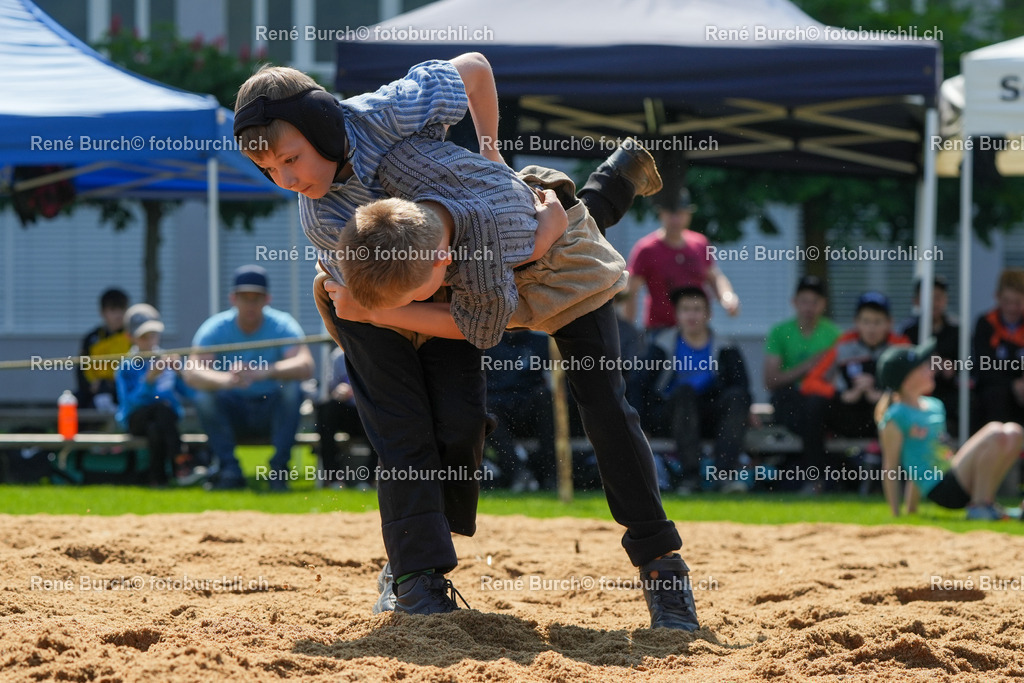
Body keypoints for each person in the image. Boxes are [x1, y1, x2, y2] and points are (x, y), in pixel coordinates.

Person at [234, 56, 666, 618]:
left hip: (470, 255)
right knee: (404, 426)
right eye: (271, 172)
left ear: (321, 128)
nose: (288, 181)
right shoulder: (320, 218)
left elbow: (478, 70)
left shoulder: (389, 115)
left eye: (291, 160)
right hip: (368, 295)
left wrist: (489, 146)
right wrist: (378, 311)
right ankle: (416, 575)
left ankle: (661, 566)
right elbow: (378, 305)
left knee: (467, 416)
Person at [329, 124, 700, 631]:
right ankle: (617, 177)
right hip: (496, 269)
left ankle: (663, 569)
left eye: (417, 292)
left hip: (560, 274)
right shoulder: (408, 211)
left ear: (441, 262)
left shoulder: (510, 238)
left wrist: (379, 315)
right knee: (559, 227)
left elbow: (472, 323)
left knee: (607, 408)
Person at [183, 265, 314, 491]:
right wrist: (225, 380)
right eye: (245, 297)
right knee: (204, 397)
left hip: (270, 409)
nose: (251, 304)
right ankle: (229, 469)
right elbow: (191, 371)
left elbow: (305, 365)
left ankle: (279, 471)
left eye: (257, 298)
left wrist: (265, 371)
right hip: (233, 410)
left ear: (267, 299)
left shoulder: (283, 324)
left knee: (292, 390)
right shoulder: (216, 327)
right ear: (233, 298)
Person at [876, 340, 1023, 520]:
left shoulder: (934, 405)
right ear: (907, 380)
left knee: (1015, 432)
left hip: (954, 472)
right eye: (924, 367)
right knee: (995, 432)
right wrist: (896, 513)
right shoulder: (896, 415)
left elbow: (931, 448)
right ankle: (979, 507)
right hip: (941, 487)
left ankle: (986, 502)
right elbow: (892, 466)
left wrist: (911, 509)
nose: (932, 369)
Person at [628, 287, 751, 493]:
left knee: (737, 396)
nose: (691, 315)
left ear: (708, 314)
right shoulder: (661, 345)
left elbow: (741, 386)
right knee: (685, 392)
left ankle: (725, 478)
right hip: (672, 416)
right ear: (677, 315)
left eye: (697, 309)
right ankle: (690, 477)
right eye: (685, 309)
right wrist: (640, 425)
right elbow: (638, 385)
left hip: (712, 417)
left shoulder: (726, 347)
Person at [799, 292, 909, 493]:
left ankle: (897, 481)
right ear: (856, 322)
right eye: (866, 321)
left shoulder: (900, 346)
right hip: (849, 414)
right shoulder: (844, 344)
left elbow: (914, 385)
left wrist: (885, 396)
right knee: (814, 404)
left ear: (889, 323)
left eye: (878, 322)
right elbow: (810, 383)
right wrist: (841, 394)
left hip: (882, 417)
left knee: (898, 410)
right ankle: (816, 480)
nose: (872, 328)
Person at [622, 187, 740, 332]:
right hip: (660, 329)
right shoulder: (646, 249)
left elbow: (714, 277)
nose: (675, 219)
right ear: (661, 214)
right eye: (671, 213)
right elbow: (630, 292)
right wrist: (627, 330)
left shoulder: (700, 243)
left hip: (696, 330)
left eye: (680, 213)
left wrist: (727, 298)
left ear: (688, 214)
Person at [114, 304, 192, 487]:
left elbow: (190, 394)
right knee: (159, 409)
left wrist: (181, 373)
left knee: (156, 427)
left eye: (154, 335)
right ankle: (182, 463)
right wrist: (149, 381)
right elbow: (130, 403)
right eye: (144, 337)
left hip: (163, 421)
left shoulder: (166, 360)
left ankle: (158, 479)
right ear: (130, 337)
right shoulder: (126, 366)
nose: (150, 341)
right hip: (136, 419)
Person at [764, 276, 842, 437]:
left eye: (815, 302)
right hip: (790, 397)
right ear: (794, 302)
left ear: (824, 304)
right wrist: (809, 365)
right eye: (804, 301)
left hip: (819, 397)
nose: (809, 307)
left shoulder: (834, 334)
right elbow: (771, 381)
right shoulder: (779, 332)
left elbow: (838, 378)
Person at [483, 331, 556, 491]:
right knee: (485, 409)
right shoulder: (485, 341)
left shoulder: (544, 342)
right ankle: (518, 472)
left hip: (530, 409)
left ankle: (552, 474)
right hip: (497, 409)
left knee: (546, 397)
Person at [900, 275, 961, 437]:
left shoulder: (957, 330)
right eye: (928, 298)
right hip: (917, 391)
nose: (934, 303)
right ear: (916, 301)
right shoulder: (908, 330)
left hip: (948, 390)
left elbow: (970, 365)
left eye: (938, 298)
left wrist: (953, 367)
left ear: (946, 300)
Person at [315, 347, 375, 490]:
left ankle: (370, 480)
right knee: (326, 409)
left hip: (369, 413)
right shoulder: (337, 356)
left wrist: (359, 391)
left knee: (377, 416)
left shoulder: (375, 354)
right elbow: (328, 391)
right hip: (347, 413)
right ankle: (333, 478)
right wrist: (338, 392)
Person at [972, 268, 1024, 432]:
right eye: (1007, 301)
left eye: (1017, 302)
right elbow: (983, 367)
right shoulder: (985, 324)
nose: (1011, 308)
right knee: (994, 396)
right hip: (995, 394)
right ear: (997, 297)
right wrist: (1012, 385)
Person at [77, 288, 131, 412]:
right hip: (95, 389)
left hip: (122, 388)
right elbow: (81, 368)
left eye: (122, 310)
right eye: (113, 310)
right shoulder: (91, 339)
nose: (118, 315)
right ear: (102, 312)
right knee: (76, 402)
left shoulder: (134, 338)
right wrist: (91, 385)